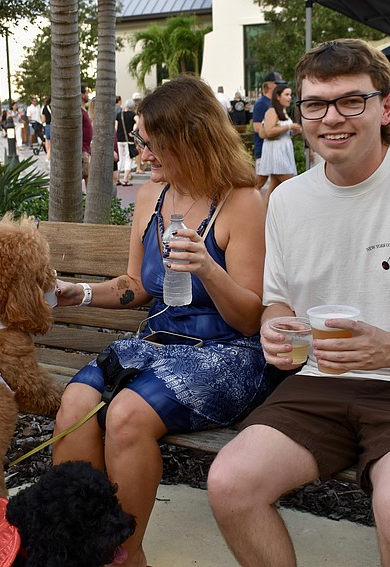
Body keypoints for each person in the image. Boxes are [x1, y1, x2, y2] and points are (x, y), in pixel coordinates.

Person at [207, 38, 390, 567]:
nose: (332, 119)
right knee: (230, 483)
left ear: (385, 106)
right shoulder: (287, 200)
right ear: (297, 112)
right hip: (319, 385)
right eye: (316, 104)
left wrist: (388, 350)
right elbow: (278, 303)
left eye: (352, 101)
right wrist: (275, 331)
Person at [52, 75, 275, 567]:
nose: (142, 155)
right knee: (74, 405)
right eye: (140, 142)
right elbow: (138, 286)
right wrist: (81, 293)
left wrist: (206, 267)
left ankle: (123, 555)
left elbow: (248, 320)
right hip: (158, 344)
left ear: (190, 140)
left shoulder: (242, 201)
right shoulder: (153, 199)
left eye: (150, 144)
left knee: (127, 416)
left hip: (225, 354)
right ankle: (85, 547)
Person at [258, 83, 302, 205]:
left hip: (283, 151)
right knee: (292, 185)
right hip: (277, 153)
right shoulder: (272, 111)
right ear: (278, 96)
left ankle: (265, 216)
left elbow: (283, 133)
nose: (289, 98)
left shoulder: (283, 111)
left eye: (290, 95)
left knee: (273, 187)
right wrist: (289, 126)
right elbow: (269, 131)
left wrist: (294, 131)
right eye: (286, 95)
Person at [253, 71, 285, 191]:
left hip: (272, 149)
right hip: (263, 148)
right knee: (260, 181)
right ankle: (246, 204)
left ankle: (266, 206)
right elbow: (256, 127)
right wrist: (275, 130)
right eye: (277, 83)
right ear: (270, 85)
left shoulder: (272, 103)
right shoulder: (261, 104)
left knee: (275, 182)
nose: (280, 87)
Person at [115, 98, 136, 186]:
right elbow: (138, 121)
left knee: (120, 159)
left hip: (119, 139)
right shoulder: (133, 115)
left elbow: (115, 127)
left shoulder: (119, 115)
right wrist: (133, 132)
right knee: (128, 159)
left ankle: (117, 179)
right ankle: (125, 179)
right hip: (128, 139)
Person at [80, 84, 93, 186]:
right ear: (82, 95)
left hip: (86, 148)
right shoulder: (79, 111)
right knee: (87, 176)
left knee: (88, 176)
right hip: (82, 149)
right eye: (86, 93)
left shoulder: (83, 109)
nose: (88, 95)